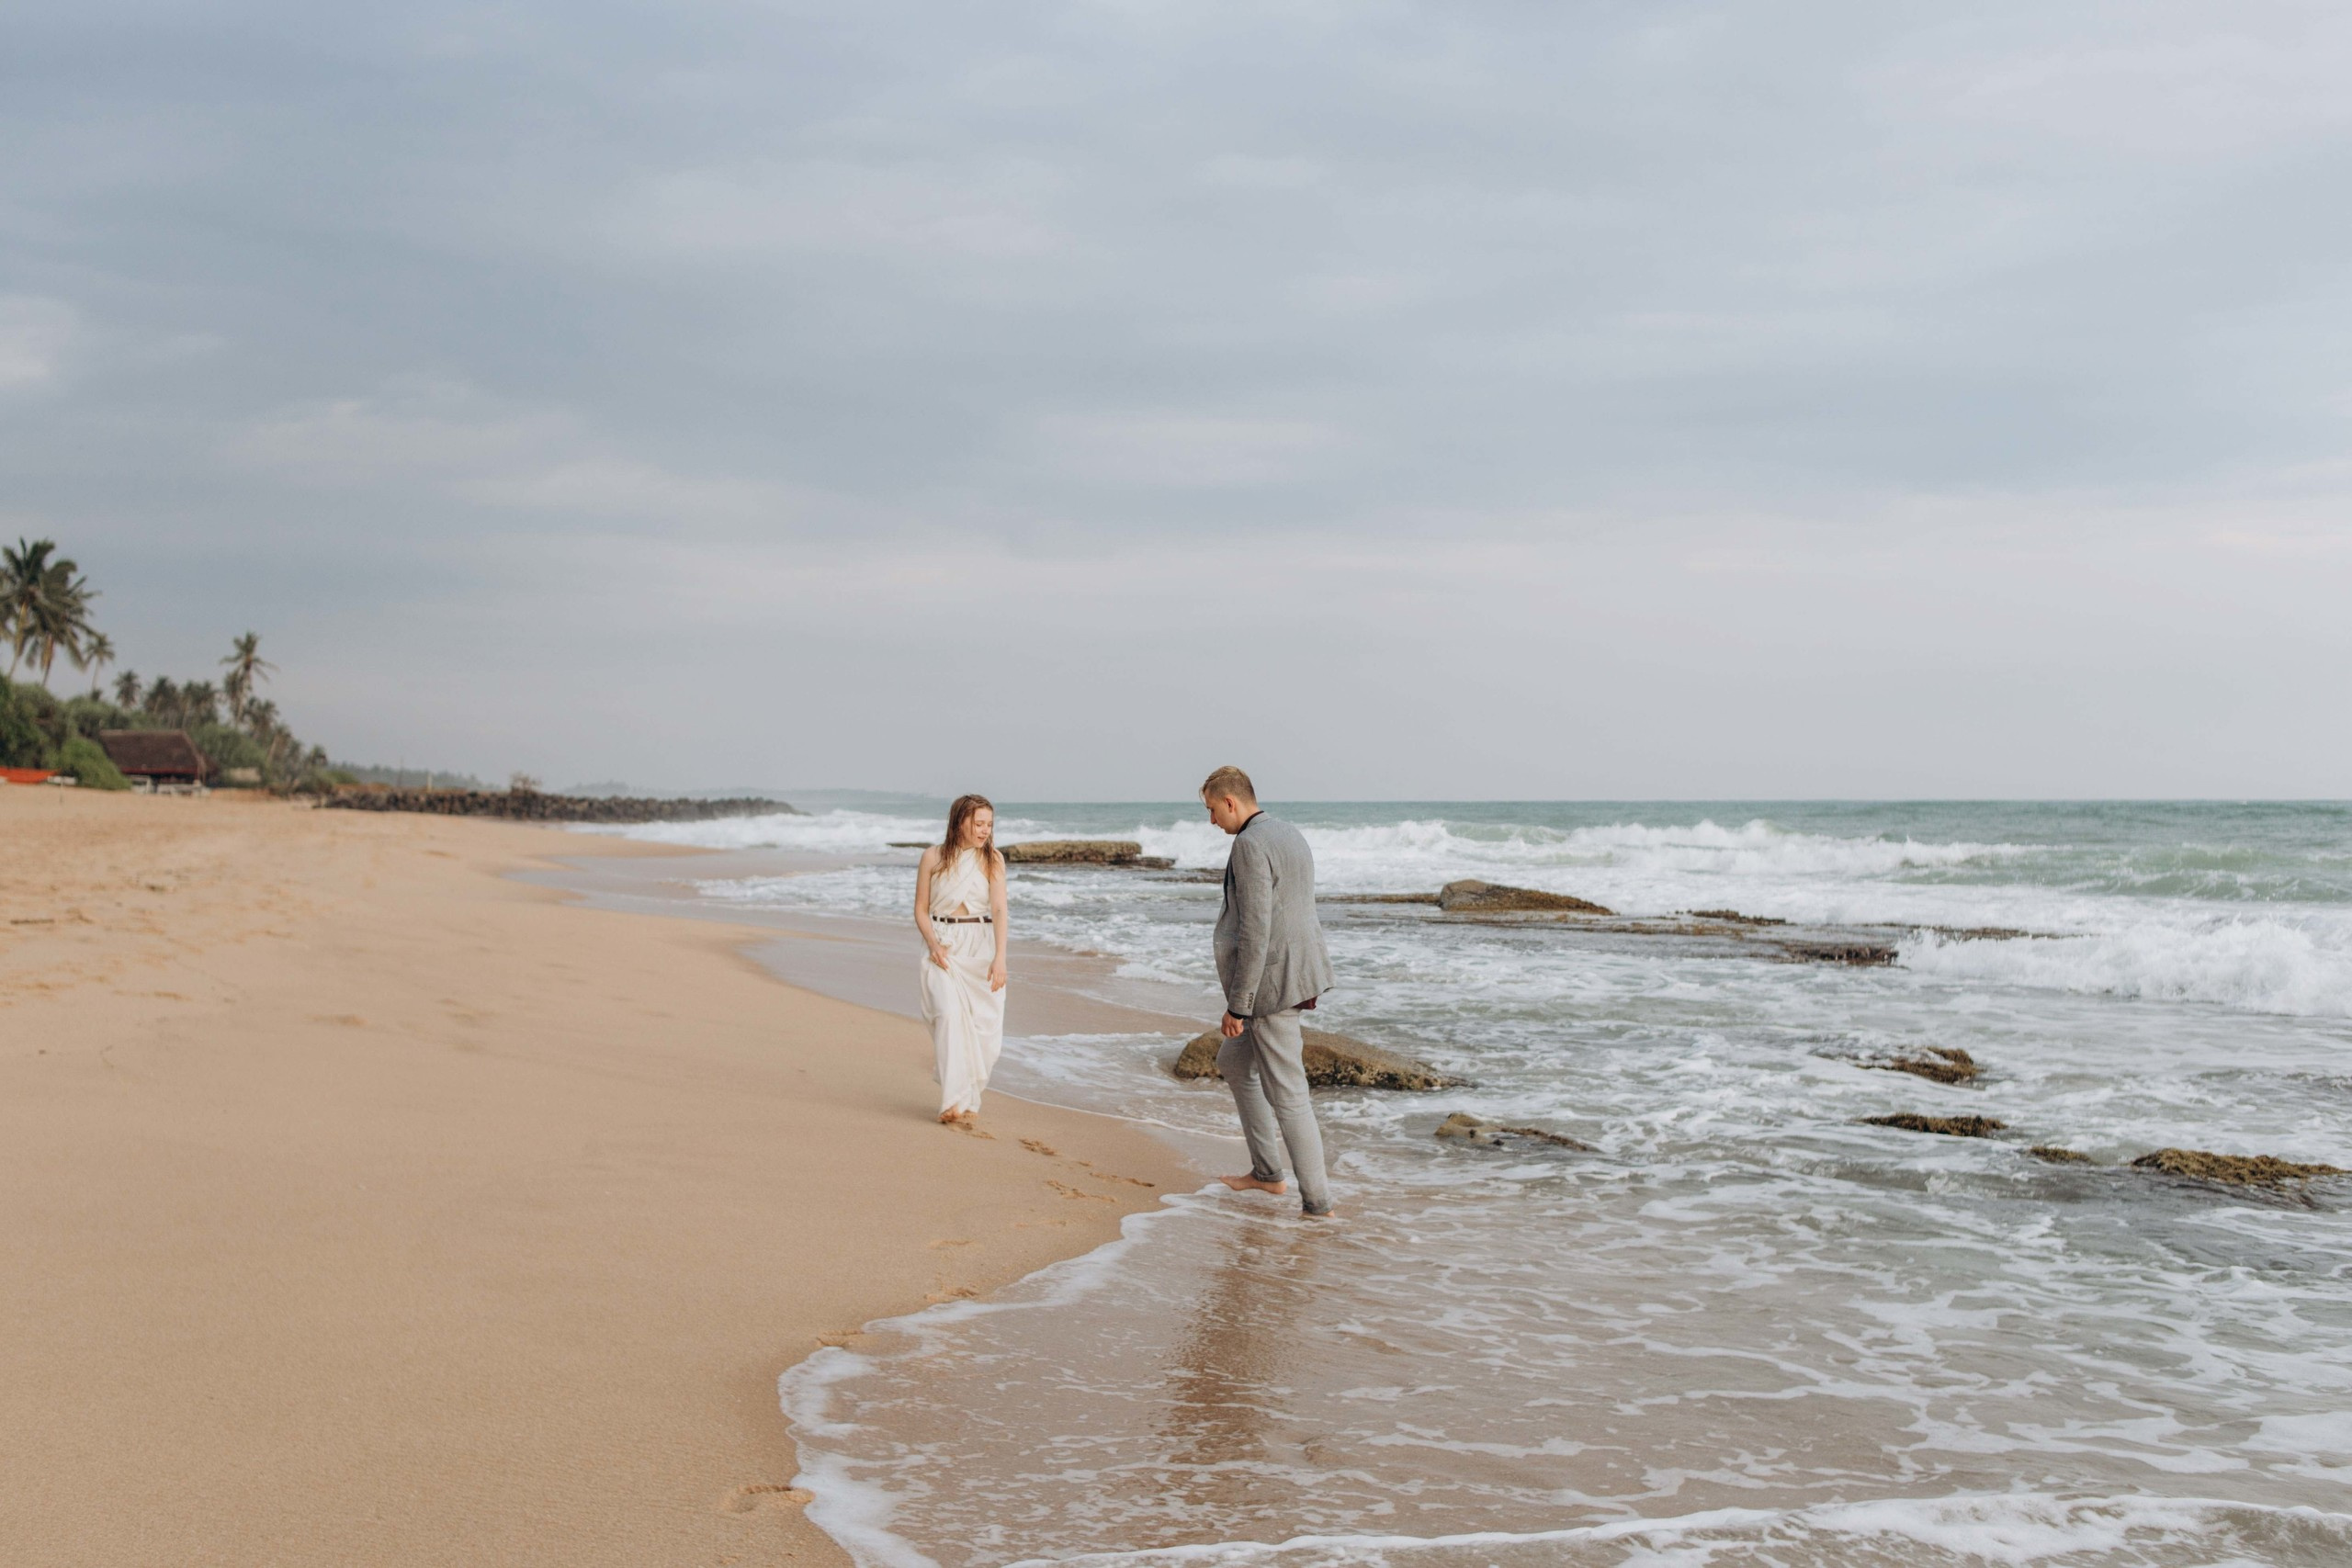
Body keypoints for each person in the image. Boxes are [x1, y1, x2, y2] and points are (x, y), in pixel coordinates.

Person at [1202, 765, 1338, 1217]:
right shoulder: (1287, 832)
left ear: (1230, 803)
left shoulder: (1249, 843)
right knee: (1234, 1063)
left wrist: (1238, 1006)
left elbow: (1256, 929)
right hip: (1299, 967)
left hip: (1272, 983)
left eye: (1212, 811)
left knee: (1289, 1094)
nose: (1212, 822)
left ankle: (1318, 1205)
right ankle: (1267, 1174)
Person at [914, 794, 1009, 1126]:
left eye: (989, 825)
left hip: (981, 947)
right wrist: (933, 945)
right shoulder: (932, 857)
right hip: (944, 945)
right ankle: (951, 1102)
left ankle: (969, 1097)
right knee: (950, 1016)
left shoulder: (992, 859)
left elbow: (999, 910)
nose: (985, 830)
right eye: (978, 823)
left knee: (986, 1035)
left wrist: (1000, 958)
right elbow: (921, 909)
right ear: (960, 822)